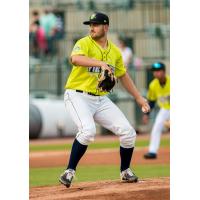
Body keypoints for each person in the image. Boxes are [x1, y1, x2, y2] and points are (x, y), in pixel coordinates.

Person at [59, 12, 150, 188]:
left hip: (100, 99)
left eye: (96, 24)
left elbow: (123, 75)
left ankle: (125, 171)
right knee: (88, 131)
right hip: (77, 95)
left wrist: (139, 98)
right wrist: (100, 63)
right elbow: (75, 59)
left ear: (106, 27)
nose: (92, 27)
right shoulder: (84, 43)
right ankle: (69, 171)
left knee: (128, 132)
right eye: (90, 24)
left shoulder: (115, 51)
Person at [143, 62, 170, 159]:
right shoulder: (153, 85)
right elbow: (152, 101)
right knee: (156, 126)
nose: (156, 73)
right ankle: (152, 151)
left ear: (163, 72)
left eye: (158, 71)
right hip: (165, 109)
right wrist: (146, 114)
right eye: (154, 71)